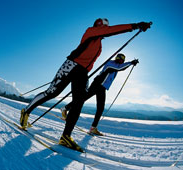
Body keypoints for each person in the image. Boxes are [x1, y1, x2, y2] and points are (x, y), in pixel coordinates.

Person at [20, 18, 150, 152]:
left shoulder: (99, 43)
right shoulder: (91, 31)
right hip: (71, 66)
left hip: (82, 73)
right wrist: (135, 26)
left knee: (79, 101)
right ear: (100, 25)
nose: (106, 28)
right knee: (52, 93)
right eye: (105, 26)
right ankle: (26, 111)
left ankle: (65, 136)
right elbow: (110, 31)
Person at [61, 53, 139, 136]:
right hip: (98, 85)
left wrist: (130, 63)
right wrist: (130, 63)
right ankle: (66, 108)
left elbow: (120, 67)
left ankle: (92, 127)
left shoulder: (116, 66)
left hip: (102, 87)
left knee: (98, 107)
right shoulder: (111, 64)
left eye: (122, 60)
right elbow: (120, 68)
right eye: (119, 59)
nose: (121, 61)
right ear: (116, 58)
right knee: (85, 100)